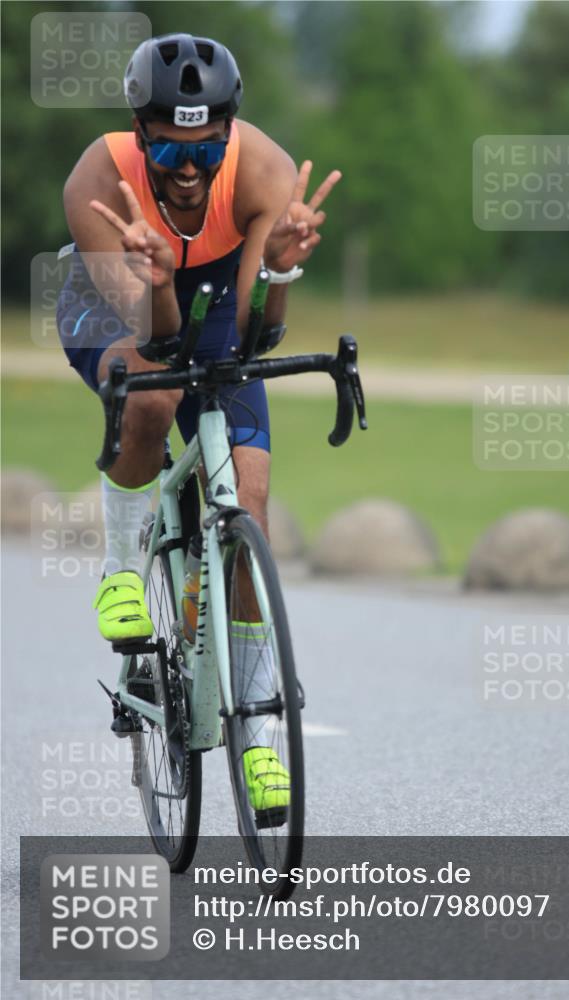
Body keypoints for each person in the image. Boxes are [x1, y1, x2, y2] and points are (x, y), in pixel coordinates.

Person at [57, 32, 340, 813]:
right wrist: (156, 278)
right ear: (140, 134)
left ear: (228, 137)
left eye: (205, 154)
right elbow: (156, 341)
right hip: (115, 305)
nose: (187, 173)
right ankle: (122, 568)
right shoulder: (98, 180)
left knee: (249, 501)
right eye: (169, 154)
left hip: (215, 299)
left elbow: (254, 336)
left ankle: (256, 741)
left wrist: (278, 267)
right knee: (152, 392)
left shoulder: (265, 175)